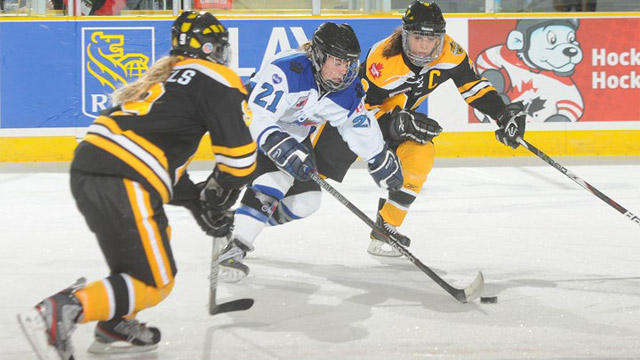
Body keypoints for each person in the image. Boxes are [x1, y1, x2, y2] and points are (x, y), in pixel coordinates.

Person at [17, 11, 256, 360]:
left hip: (92, 169)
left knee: (151, 249)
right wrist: (220, 194)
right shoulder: (217, 77)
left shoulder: (164, 79)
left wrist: (197, 203)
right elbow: (239, 160)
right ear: (212, 49)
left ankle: (115, 322)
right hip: (125, 178)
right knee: (155, 282)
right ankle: (63, 310)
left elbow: (162, 164)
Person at [304, 1, 526, 257]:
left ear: (441, 39)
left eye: (430, 39)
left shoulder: (451, 53)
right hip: (355, 122)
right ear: (405, 35)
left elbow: (474, 86)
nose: (423, 46)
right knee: (303, 180)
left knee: (421, 154)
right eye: (418, 37)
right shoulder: (383, 59)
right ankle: (256, 207)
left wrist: (502, 113)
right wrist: (395, 123)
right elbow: (356, 111)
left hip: (397, 121)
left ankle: (386, 227)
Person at [216, 21, 404, 282]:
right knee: (277, 180)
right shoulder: (287, 70)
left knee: (307, 202)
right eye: (337, 62)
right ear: (318, 56)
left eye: (349, 63)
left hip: (292, 135)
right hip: (251, 128)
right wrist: (279, 145)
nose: (344, 71)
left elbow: (356, 123)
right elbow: (256, 116)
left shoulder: (345, 89)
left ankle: (240, 222)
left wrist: (378, 156)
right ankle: (236, 247)